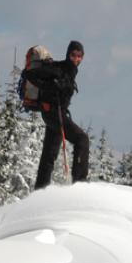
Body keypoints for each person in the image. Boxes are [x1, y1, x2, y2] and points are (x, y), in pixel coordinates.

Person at [23, 41, 89, 188]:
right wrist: (50, 86)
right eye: (73, 55)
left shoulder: (70, 71)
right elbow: (29, 74)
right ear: (68, 54)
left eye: (80, 56)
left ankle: (40, 190)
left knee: (49, 155)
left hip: (56, 114)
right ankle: (80, 185)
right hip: (53, 113)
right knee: (82, 139)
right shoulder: (58, 69)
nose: (76, 59)